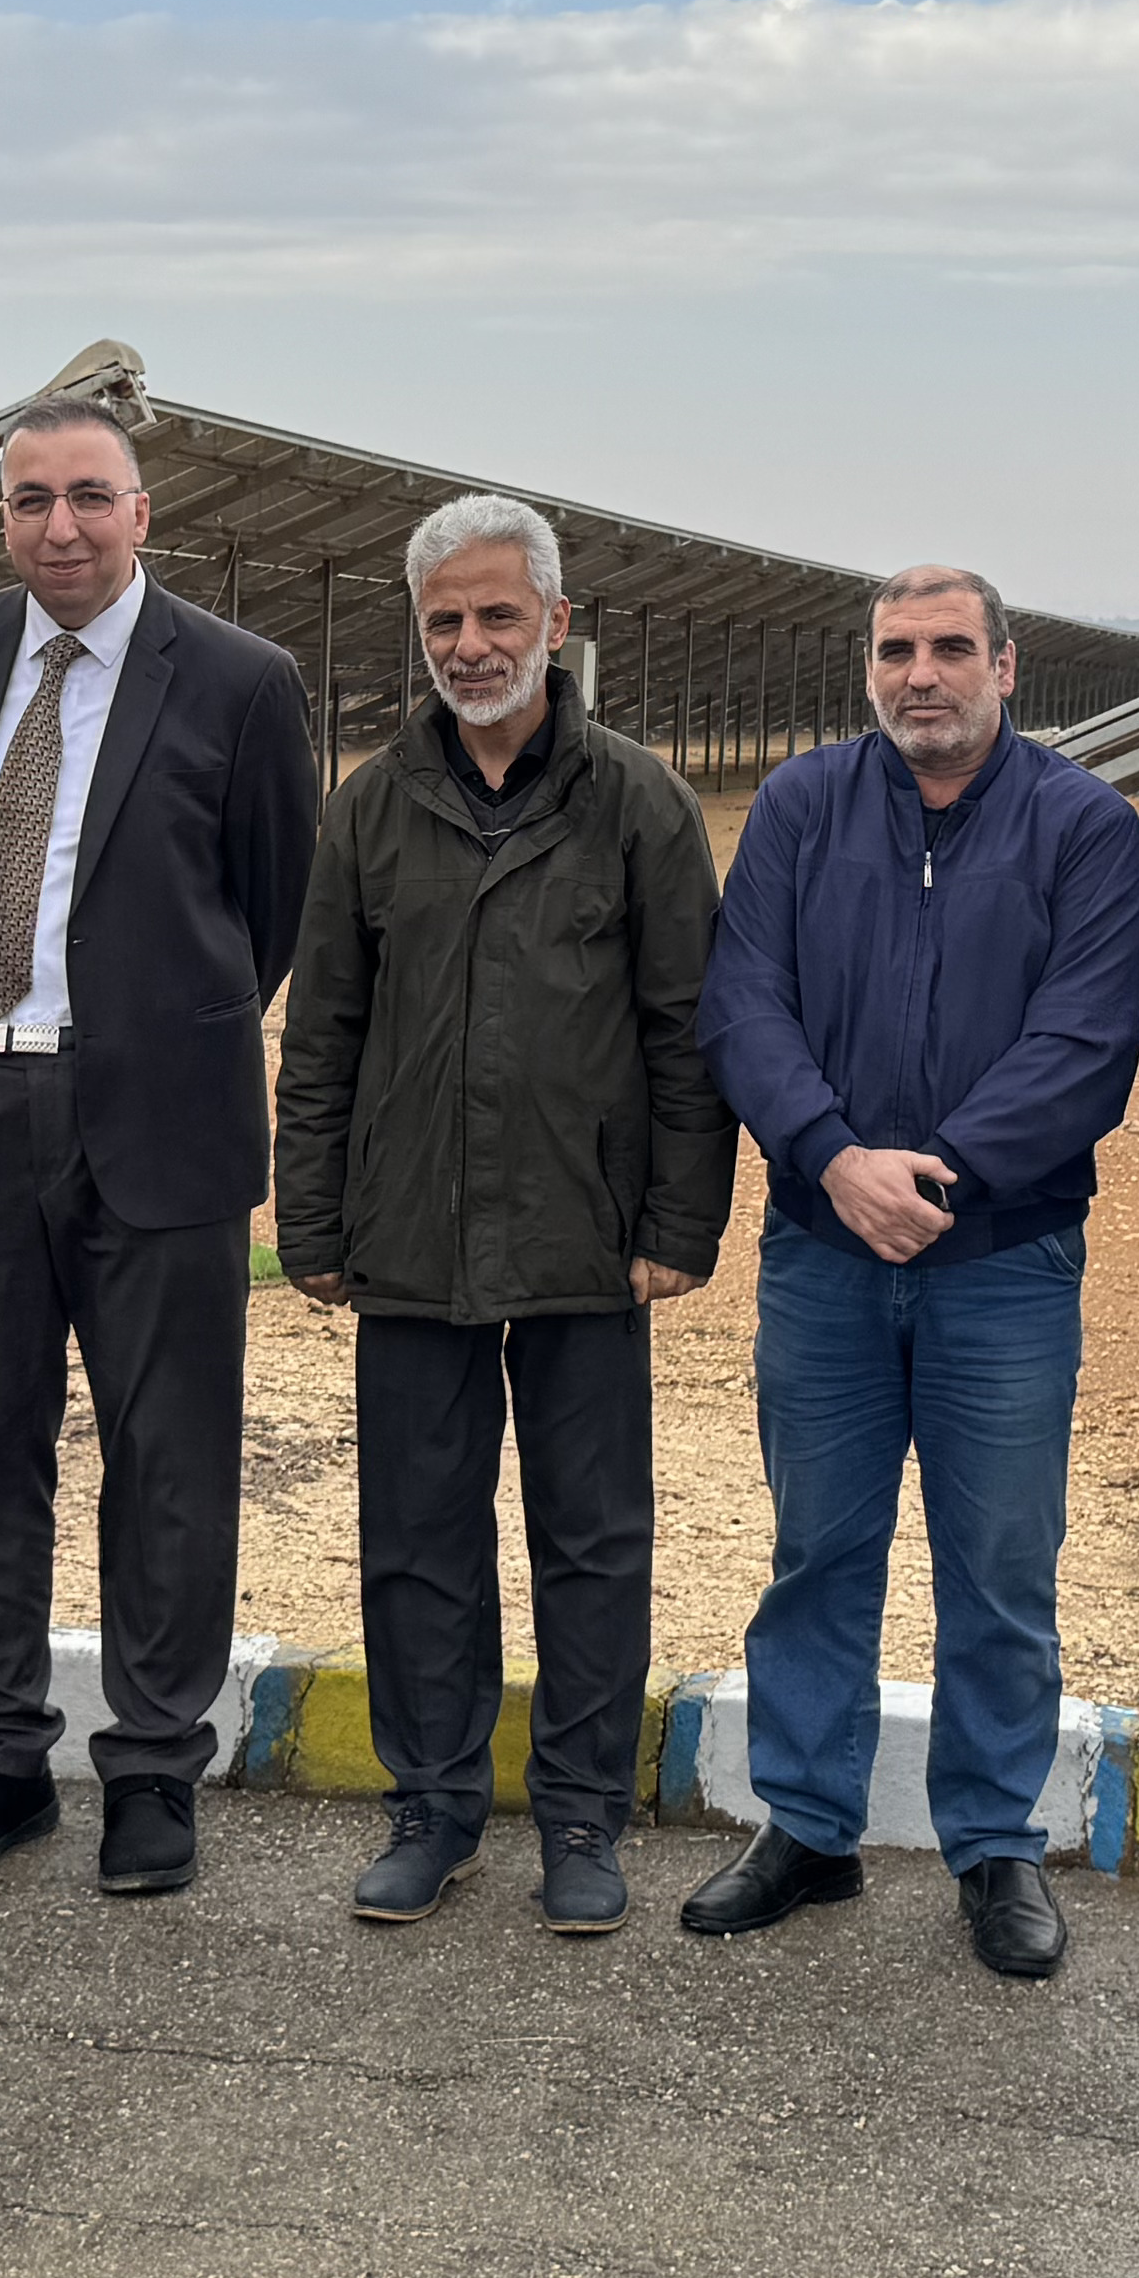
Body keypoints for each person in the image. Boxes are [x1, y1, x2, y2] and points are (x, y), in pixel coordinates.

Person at [0, 396, 317, 1901]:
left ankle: (156, 1765)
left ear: (142, 513)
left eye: (89, 497)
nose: (60, 526)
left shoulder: (241, 681)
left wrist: (157, 1030)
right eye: (31, 499)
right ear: (2, 515)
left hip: (157, 1117)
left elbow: (270, 902)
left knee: (170, 1458)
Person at [272, 495, 734, 1937]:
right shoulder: (370, 803)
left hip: (584, 1238)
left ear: (556, 623)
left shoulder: (639, 802)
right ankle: (435, 1807)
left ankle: (584, 1816)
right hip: (408, 1236)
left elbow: (685, 1034)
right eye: (445, 622)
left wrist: (678, 1221)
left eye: (496, 616)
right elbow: (326, 1030)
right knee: (419, 1531)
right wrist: (314, 1218)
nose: (470, 645)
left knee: (590, 1539)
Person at [687, 565, 1139, 1981]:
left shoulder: (1082, 824)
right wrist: (832, 1158)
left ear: (1007, 668)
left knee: (999, 1563)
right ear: (869, 670)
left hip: (1001, 1263)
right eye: (898, 650)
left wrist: (933, 1171)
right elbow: (742, 1000)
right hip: (822, 1254)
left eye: (954, 648)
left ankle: (995, 1844)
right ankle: (810, 1825)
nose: (924, 674)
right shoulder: (800, 809)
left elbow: (1085, 1045)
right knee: (818, 1552)